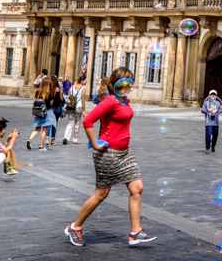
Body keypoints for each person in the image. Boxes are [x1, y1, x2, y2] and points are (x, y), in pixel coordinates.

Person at [66, 67, 156, 247]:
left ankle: (135, 232)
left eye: (128, 85)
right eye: (122, 84)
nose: (125, 88)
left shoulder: (123, 99)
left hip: (125, 152)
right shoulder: (110, 101)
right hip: (108, 154)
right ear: (114, 83)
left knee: (137, 187)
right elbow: (87, 120)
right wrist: (96, 142)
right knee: (101, 194)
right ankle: (74, 227)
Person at [27, 77, 56, 150]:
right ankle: (41, 145)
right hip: (47, 111)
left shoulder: (38, 91)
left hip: (39, 111)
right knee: (44, 129)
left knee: (37, 128)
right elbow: (51, 103)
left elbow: (36, 98)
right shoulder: (50, 92)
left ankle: (30, 139)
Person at [62, 75, 87, 145]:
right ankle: (75, 139)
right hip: (79, 106)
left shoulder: (72, 87)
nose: (86, 81)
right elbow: (83, 100)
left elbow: (68, 97)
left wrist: (67, 107)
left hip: (71, 106)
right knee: (77, 123)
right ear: (82, 81)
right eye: (85, 80)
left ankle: (66, 137)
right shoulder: (83, 88)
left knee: (70, 122)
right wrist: (84, 110)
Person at [48, 74, 65, 147]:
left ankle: (47, 138)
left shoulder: (49, 89)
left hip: (51, 108)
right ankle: (53, 139)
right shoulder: (59, 89)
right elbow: (62, 100)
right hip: (57, 108)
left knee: (49, 124)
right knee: (55, 124)